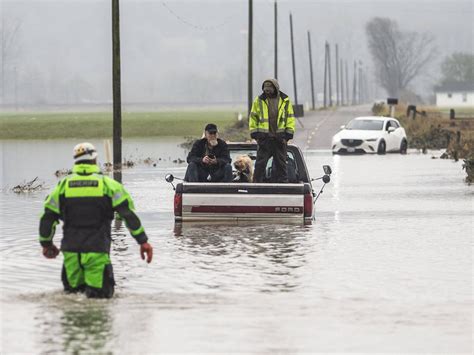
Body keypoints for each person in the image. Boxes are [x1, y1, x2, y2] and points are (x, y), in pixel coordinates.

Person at [39, 142, 153, 299]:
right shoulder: (109, 185)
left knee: (72, 303)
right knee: (100, 304)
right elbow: (127, 215)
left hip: (71, 256)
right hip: (97, 254)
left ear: (76, 161)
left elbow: (47, 218)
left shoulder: (62, 187)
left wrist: (46, 244)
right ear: (94, 159)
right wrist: (143, 241)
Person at [249, 79, 296, 183]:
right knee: (260, 165)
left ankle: (283, 186)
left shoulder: (285, 100)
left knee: (281, 165)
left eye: (269, 89)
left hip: (279, 140)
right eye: (265, 89)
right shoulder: (259, 100)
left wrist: (287, 136)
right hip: (264, 139)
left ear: (275, 88)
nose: (267, 91)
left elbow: (290, 118)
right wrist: (256, 135)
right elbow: (253, 118)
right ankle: (256, 187)